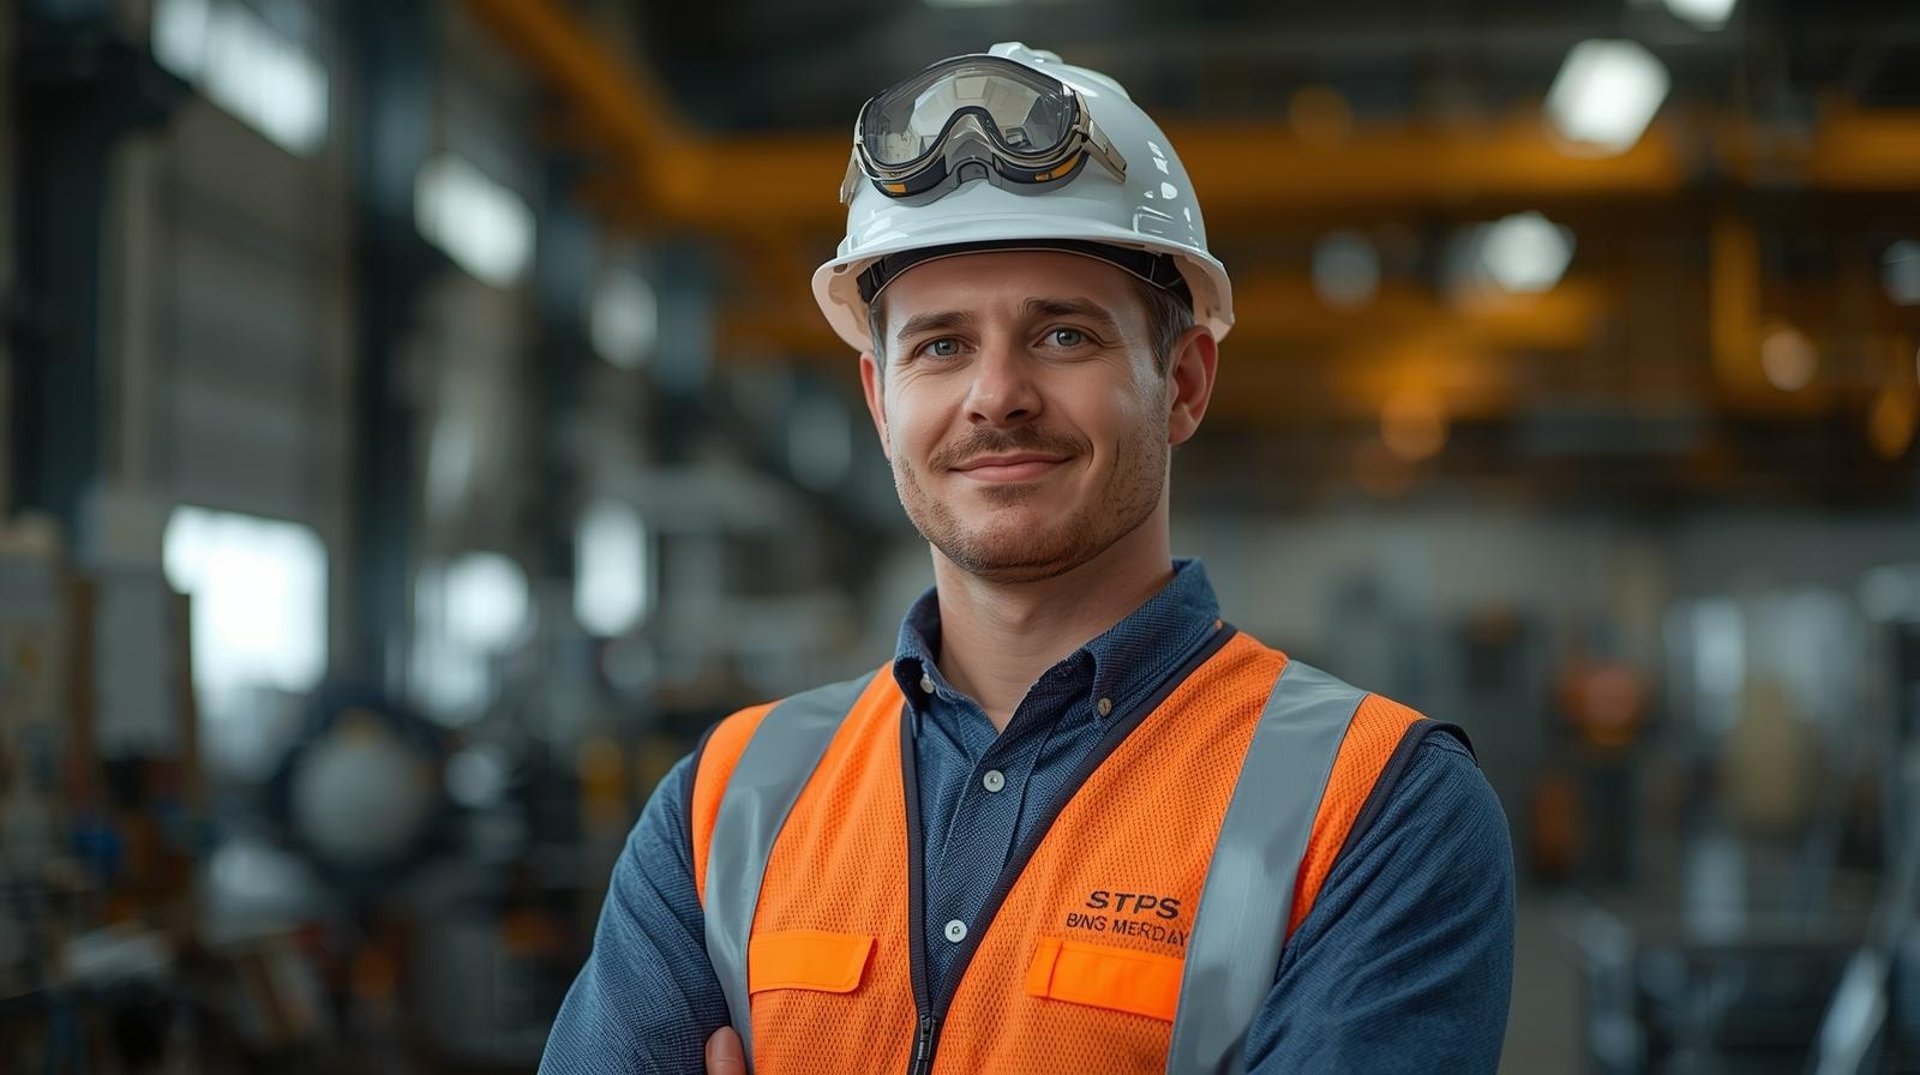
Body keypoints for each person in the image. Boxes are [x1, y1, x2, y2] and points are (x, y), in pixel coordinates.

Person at [540, 43, 1514, 1075]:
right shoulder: (724, 804)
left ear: (1184, 383)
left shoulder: (1378, 808)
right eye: (941, 345)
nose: (996, 395)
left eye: (1063, 336)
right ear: (880, 402)